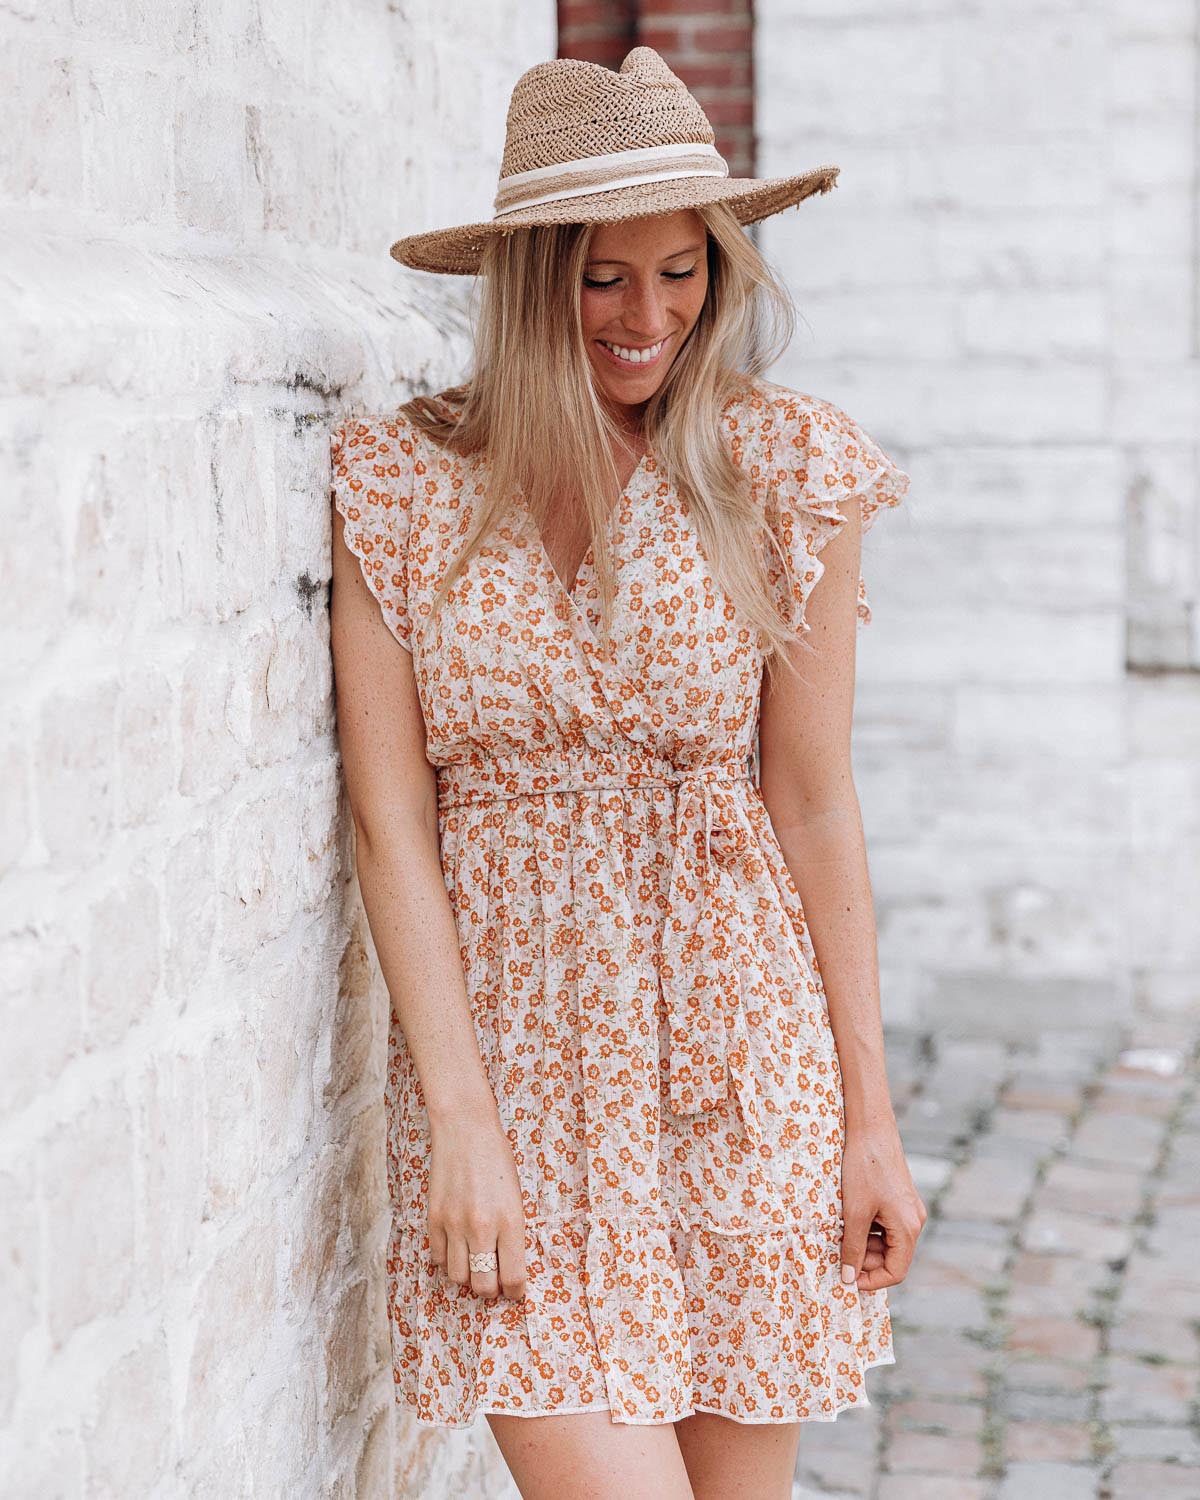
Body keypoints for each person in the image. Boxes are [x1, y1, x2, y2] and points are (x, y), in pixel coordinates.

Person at [329, 46, 927, 1500]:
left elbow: (812, 801)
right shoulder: (401, 484)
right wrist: (460, 1119)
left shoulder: (786, 469)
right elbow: (391, 823)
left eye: (681, 271)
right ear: (533, 278)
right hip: (514, 1077)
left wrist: (870, 1123)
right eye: (603, 277)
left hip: (741, 1058)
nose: (648, 318)